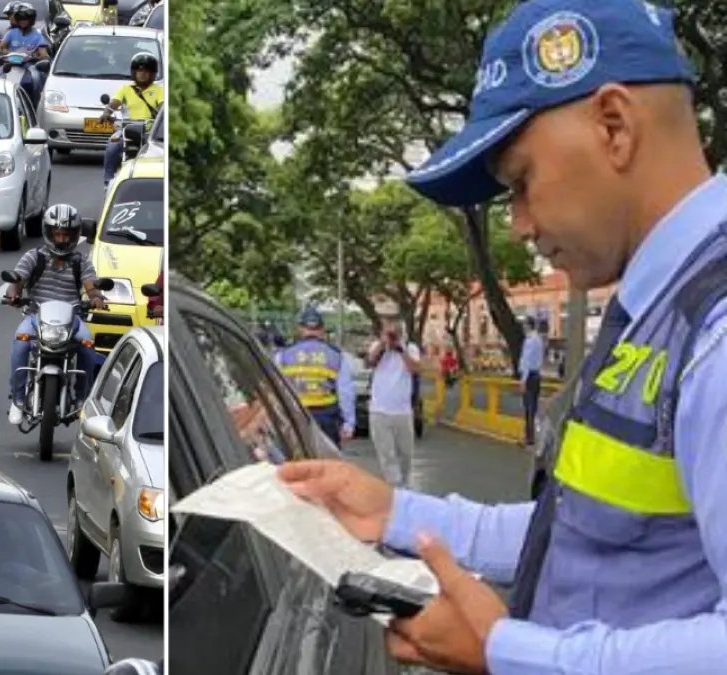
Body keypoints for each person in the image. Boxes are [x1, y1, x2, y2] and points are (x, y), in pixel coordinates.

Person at [281, 1, 727, 673]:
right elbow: (577, 531)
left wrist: (507, 652)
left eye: (521, 181)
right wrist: (392, 513)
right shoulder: (657, 309)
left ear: (614, 126)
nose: (518, 224)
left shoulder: (714, 331)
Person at [3, 204, 107, 425]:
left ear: (75, 235)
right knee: (21, 343)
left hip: (73, 320)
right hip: (36, 317)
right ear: (48, 233)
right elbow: (17, 280)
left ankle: (82, 399)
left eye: (66, 234)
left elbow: (91, 285)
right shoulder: (33, 257)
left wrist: (96, 297)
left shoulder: (81, 262)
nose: (61, 239)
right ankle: (18, 399)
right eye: (57, 234)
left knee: (88, 344)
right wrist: (13, 294)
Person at [274, 307, 356, 446]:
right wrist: (348, 423)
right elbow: (346, 393)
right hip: (327, 418)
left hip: (294, 416)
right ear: (322, 330)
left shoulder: (283, 355)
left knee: (298, 457)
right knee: (326, 458)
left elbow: (275, 389)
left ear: (300, 329)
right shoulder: (336, 355)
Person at [365, 320, 419, 487]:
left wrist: (400, 349)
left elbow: (415, 369)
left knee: (406, 455)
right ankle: (396, 490)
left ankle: (404, 484)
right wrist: (383, 345)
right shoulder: (377, 346)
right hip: (379, 411)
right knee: (387, 455)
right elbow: (369, 362)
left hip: (403, 412)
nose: (392, 336)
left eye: (395, 333)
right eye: (389, 332)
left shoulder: (410, 348)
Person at [99, 52, 162, 186]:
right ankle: (108, 181)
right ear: (134, 73)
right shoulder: (125, 89)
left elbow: (163, 107)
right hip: (126, 129)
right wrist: (106, 113)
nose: (142, 74)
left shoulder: (159, 90)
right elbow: (114, 103)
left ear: (152, 74)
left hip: (150, 131)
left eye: (146, 71)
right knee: (113, 146)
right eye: (139, 71)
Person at [0, 4, 48, 100]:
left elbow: (43, 55)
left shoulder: (37, 35)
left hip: (29, 66)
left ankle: (36, 103)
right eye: (20, 19)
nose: (23, 21)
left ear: (31, 20)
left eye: (26, 19)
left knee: (37, 80)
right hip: (10, 64)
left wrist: (33, 57)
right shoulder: (11, 33)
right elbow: (0, 48)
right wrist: (8, 53)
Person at [518, 316, 544, 446]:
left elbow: (527, 361)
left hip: (529, 377)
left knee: (528, 408)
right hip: (537, 376)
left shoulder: (529, 340)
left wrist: (523, 380)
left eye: (524, 324)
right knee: (533, 408)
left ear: (528, 325)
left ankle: (528, 438)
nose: (523, 327)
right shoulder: (539, 339)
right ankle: (532, 437)